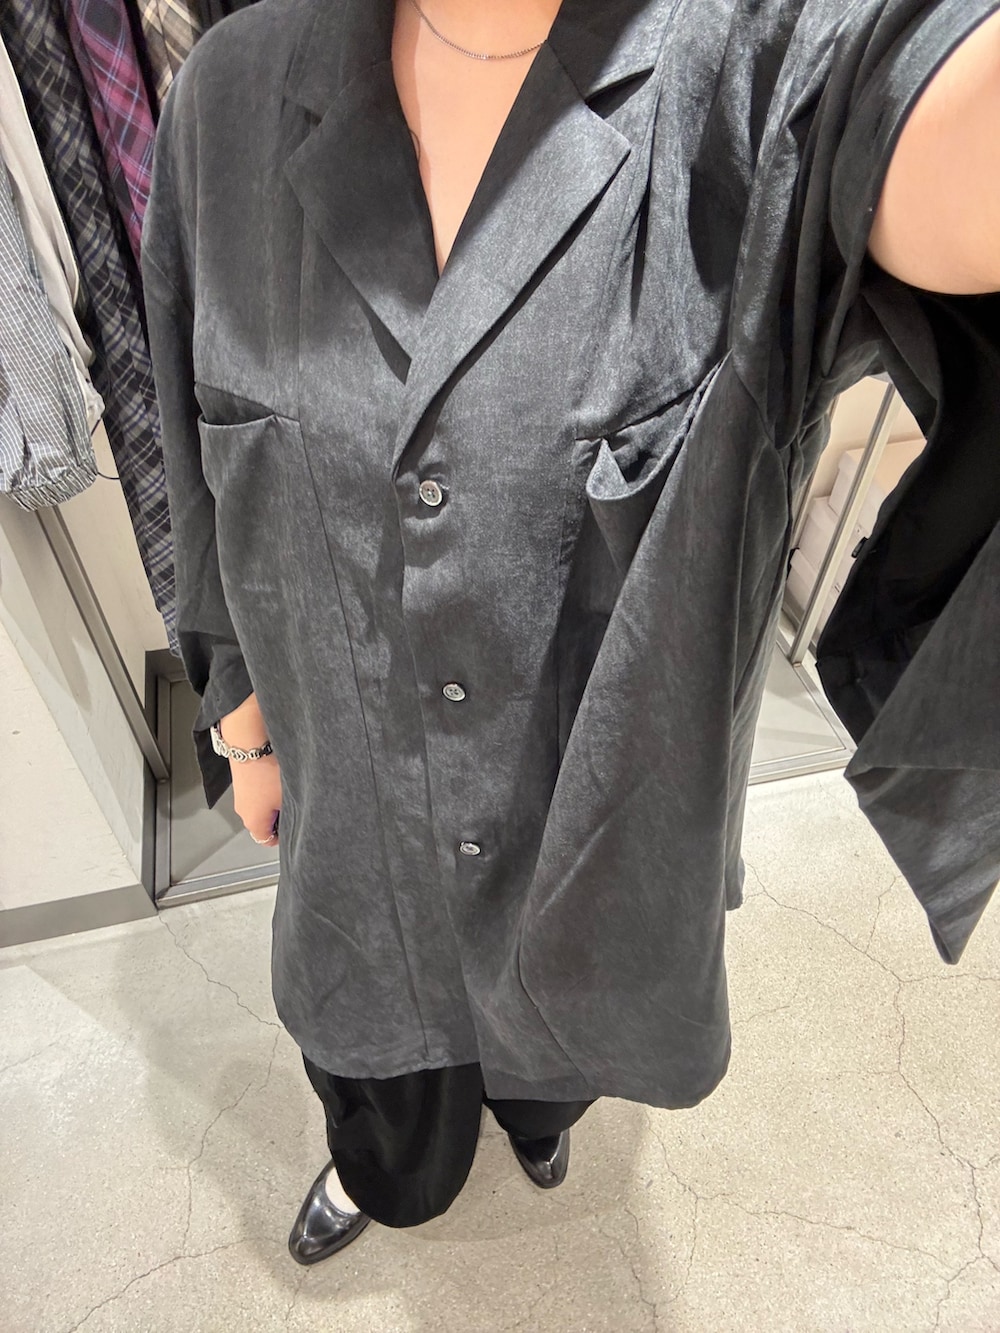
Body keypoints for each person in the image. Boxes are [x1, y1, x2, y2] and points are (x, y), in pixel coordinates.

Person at [142, 0, 1000, 1265]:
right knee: (390, 1118)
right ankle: (383, 1171)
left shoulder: (761, 69)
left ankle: (538, 1116)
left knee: (555, 1070)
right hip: (358, 846)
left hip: (588, 857)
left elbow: (946, 118)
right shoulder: (229, 92)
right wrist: (242, 720)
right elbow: (197, 452)